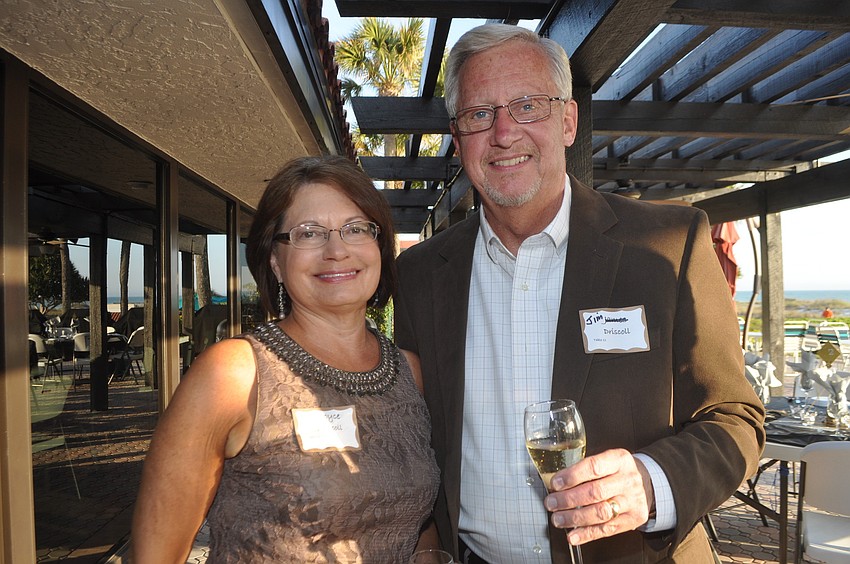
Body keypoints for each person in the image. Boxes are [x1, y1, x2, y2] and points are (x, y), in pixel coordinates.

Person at [394, 24, 765, 563]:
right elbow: (414, 433)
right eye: (479, 114)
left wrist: (653, 483)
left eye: (528, 106)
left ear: (568, 121)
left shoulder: (668, 244)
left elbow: (734, 417)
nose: (504, 133)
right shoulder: (420, 274)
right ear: (458, 139)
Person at [131, 155, 440, 562]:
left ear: (379, 247)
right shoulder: (233, 375)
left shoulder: (410, 372)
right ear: (275, 261)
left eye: (355, 228)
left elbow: (419, 521)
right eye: (308, 233)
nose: (336, 250)